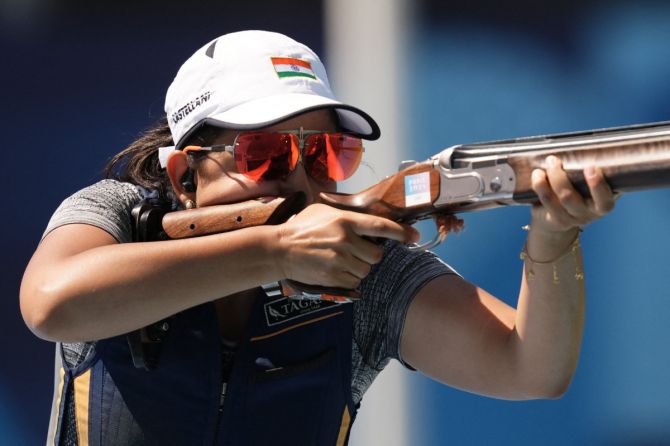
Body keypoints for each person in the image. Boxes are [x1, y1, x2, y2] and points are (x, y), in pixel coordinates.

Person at [20, 30, 615, 446]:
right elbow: (51, 302)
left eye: (328, 153)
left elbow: (528, 367)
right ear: (183, 175)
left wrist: (554, 237)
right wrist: (275, 252)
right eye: (266, 154)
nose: (302, 181)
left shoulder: (361, 266)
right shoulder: (118, 216)